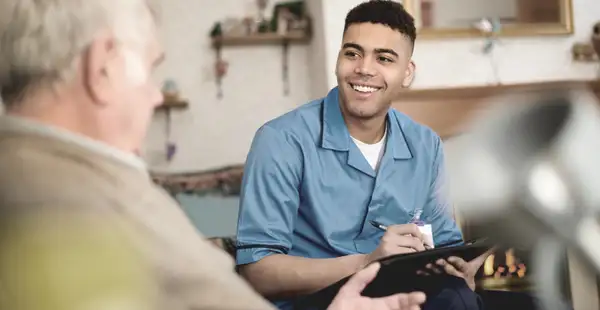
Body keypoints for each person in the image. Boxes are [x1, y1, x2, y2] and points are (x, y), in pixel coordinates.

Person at [0, 0, 425, 309]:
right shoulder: (103, 204)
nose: (152, 97)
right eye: (150, 70)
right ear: (103, 67)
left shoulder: (40, 177)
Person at [235, 1, 489, 309]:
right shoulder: (280, 141)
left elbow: (445, 243)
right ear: (338, 60)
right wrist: (367, 262)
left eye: (384, 58)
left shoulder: (426, 145)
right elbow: (257, 273)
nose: (364, 69)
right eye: (352, 53)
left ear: (407, 73)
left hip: (403, 293)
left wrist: (460, 267)